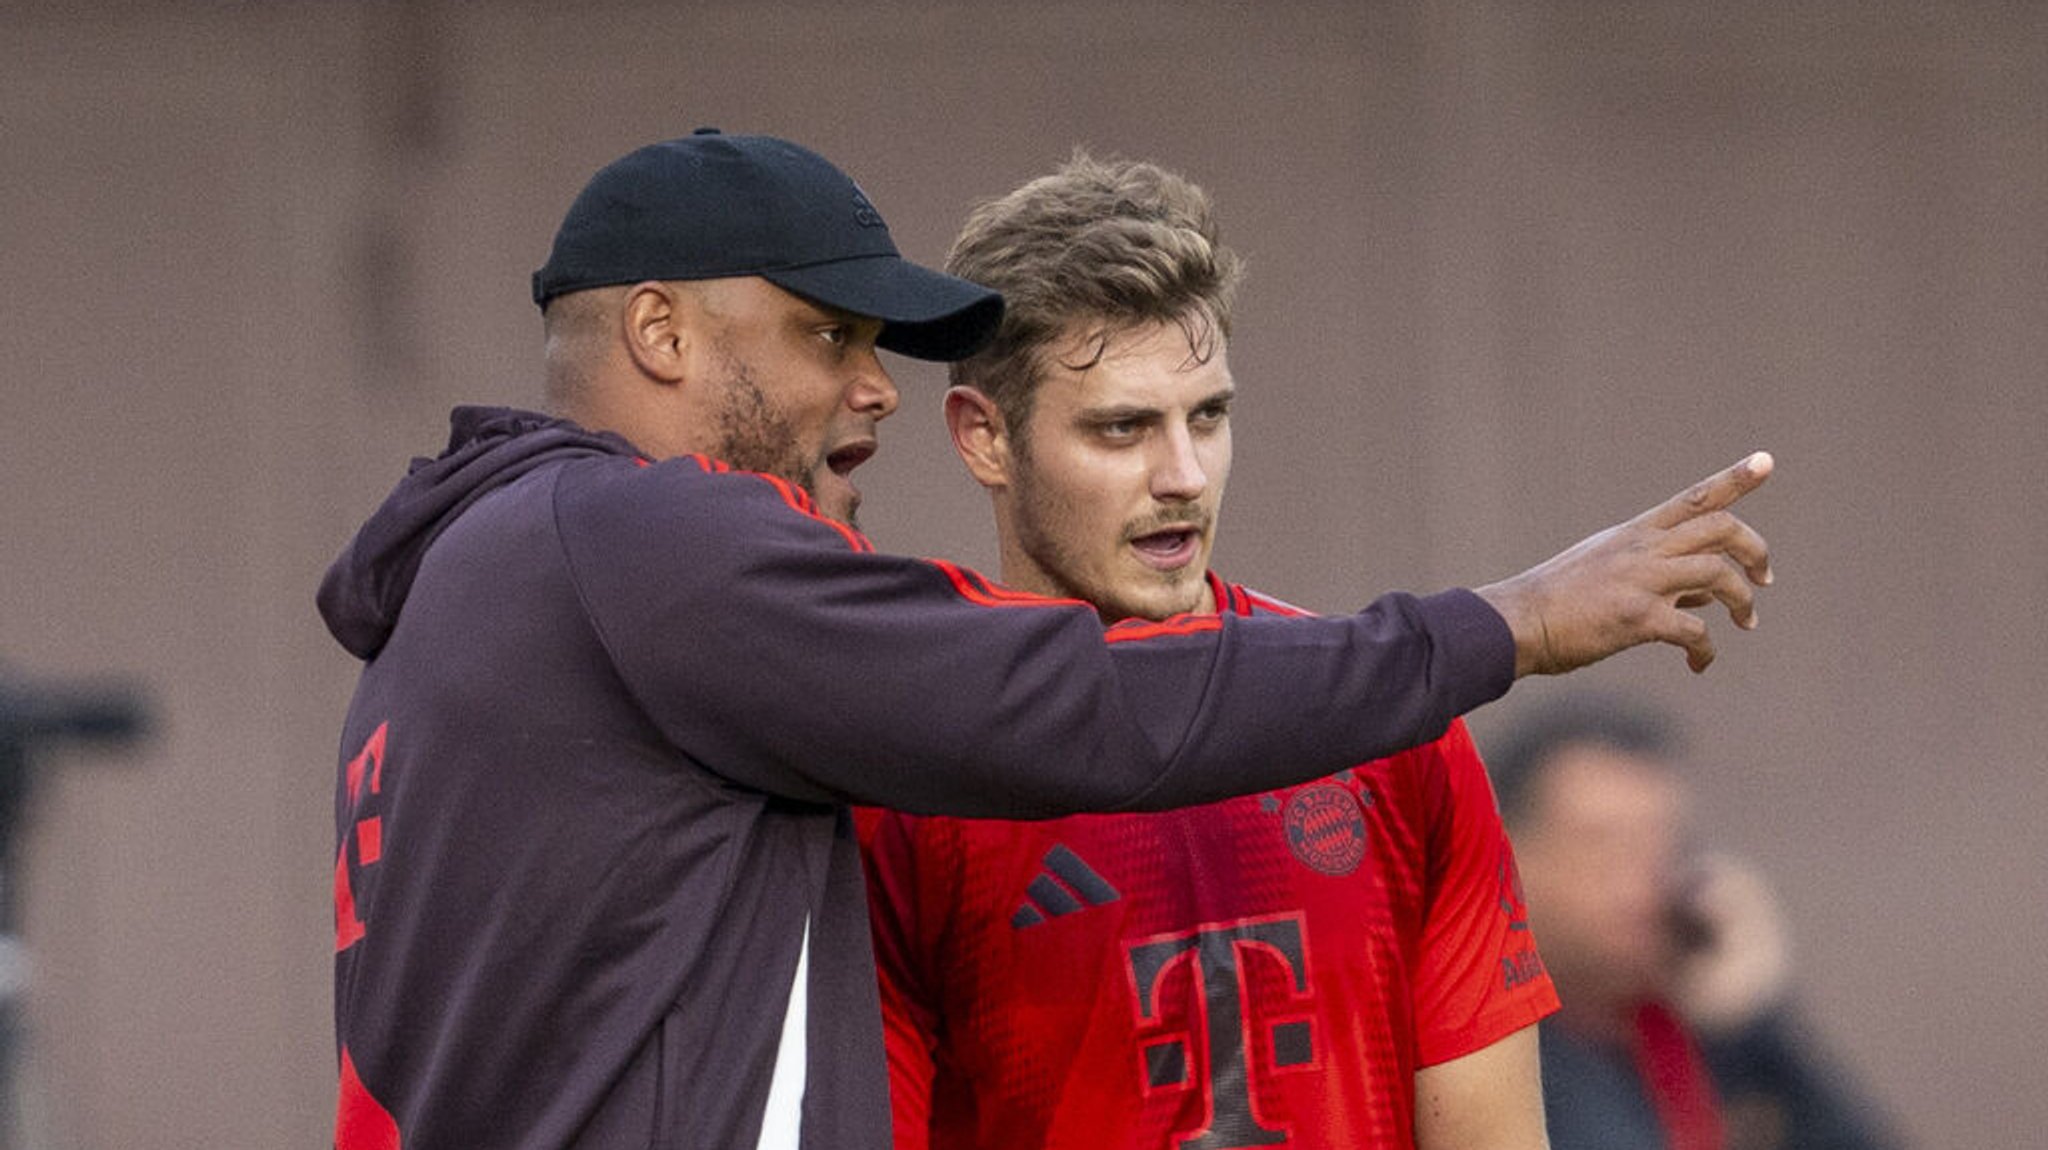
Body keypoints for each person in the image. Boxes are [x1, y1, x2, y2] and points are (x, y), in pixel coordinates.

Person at [317, 129, 1773, 1150]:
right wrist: (1508, 621)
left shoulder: (478, 582)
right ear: (661, 331)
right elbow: (1072, 706)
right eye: (831, 337)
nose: (870, 389)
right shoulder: (650, 547)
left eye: (1208, 417)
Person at [858, 153, 1555, 1150]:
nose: (1182, 474)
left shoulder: (1390, 729)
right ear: (984, 438)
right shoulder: (900, 783)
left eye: (1208, 416)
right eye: (1120, 427)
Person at [1488, 696, 1904, 1150]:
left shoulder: (1692, 1028)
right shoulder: (1484, 1044)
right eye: (1600, 846)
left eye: (1658, 846)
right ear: (1509, 854)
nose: (1637, 882)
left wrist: (1755, 1020)